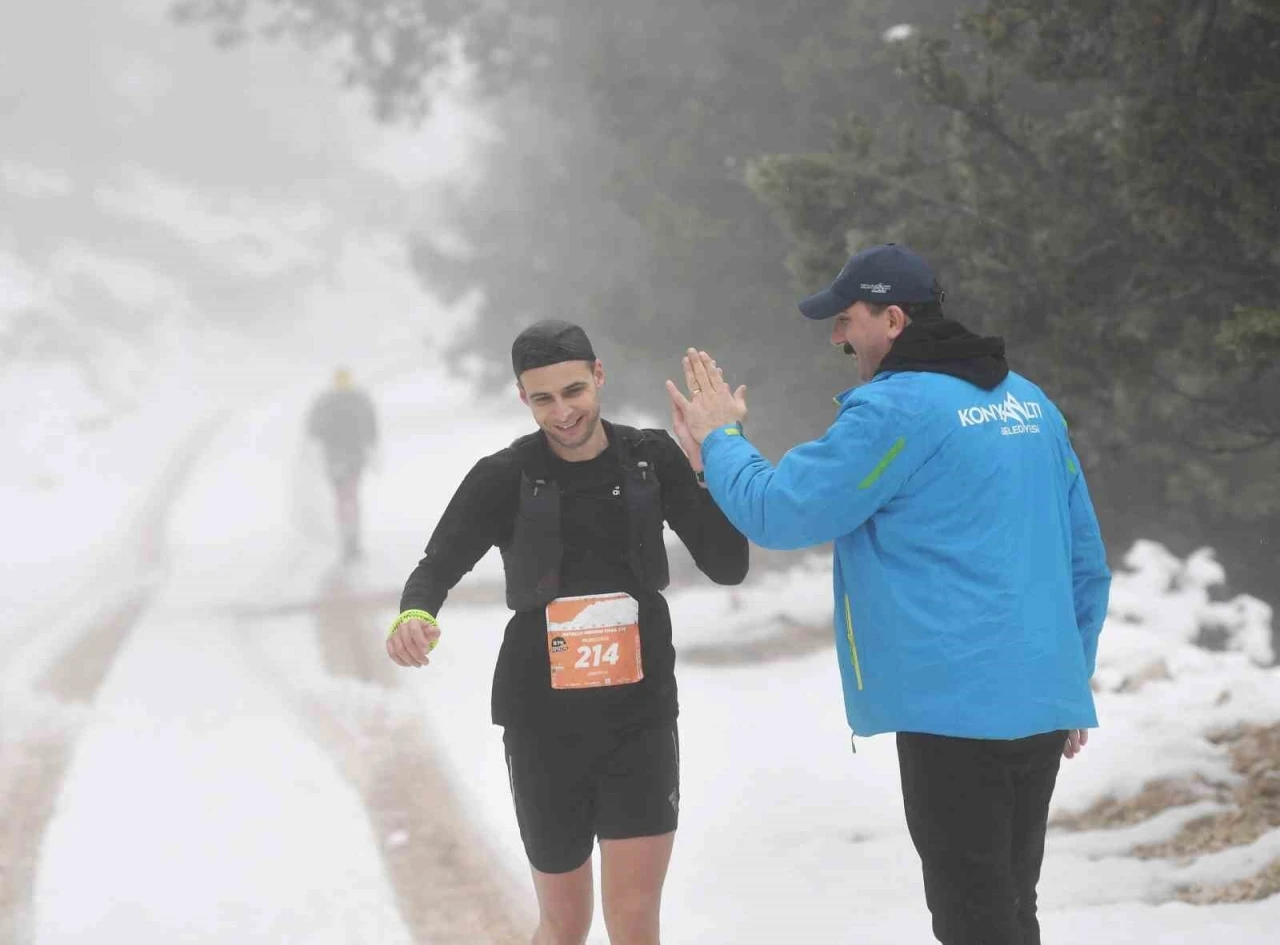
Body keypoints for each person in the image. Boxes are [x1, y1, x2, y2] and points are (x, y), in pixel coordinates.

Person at [665, 243, 1111, 945]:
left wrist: (721, 438)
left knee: (976, 919)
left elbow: (783, 511)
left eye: (846, 318)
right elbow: (1086, 560)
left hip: (955, 711)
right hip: (1037, 700)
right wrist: (1068, 676)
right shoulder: (1029, 403)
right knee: (1008, 906)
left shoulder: (895, 410)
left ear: (894, 318)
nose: (837, 335)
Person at [387, 320, 749, 945]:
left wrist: (709, 462)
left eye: (574, 391)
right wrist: (414, 615)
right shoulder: (503, 475)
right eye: (543, 399)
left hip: (639, 715)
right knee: (565, 924)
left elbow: (728, 564)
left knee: (634, 922)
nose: (563, 412)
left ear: (599, 376)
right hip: (542, 726)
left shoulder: (650, 457)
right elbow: (436, 569)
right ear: (522, 398)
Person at [306, 368, 379, 561]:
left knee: (342, 498)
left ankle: (347, 537)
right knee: (351, 497)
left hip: (335, 458)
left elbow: (312, 429)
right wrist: (370, 448)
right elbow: (372, 429)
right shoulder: (359, 400)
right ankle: (352, 537)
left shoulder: (325, 403)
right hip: (354, 458)